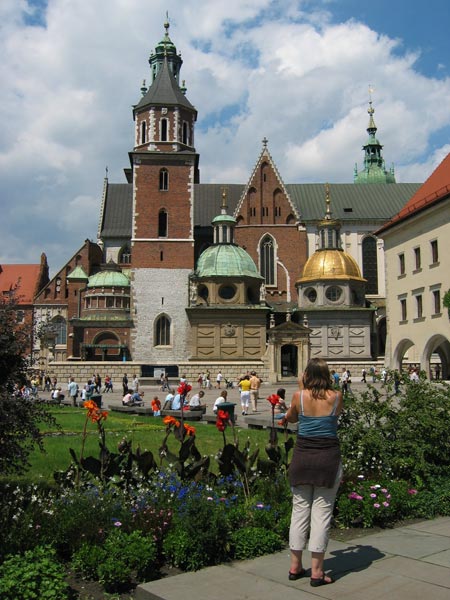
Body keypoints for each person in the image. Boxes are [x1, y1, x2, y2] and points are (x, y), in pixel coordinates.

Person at [282, 358, 343, 587]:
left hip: (303, 458)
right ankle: (317, 573)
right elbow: (334, 416)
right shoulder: (336, 396)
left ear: (307, 374)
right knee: (322, 513)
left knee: (299, 511)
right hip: (328, 459)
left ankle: (295, 567)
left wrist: (301, 389)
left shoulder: (299, 396)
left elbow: (293, 416)